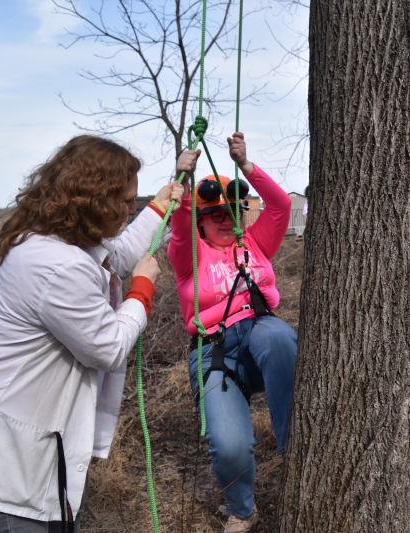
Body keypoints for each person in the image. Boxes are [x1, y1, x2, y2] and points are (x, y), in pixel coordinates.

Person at [0, 135, 184, 532]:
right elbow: (107, 348)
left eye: (133, 201)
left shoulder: (59, 242)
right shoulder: (57, 265)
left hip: (9, 448)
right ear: (91, 197)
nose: (127, 210)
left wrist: (159, 205)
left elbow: (117, 253)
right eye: (122, 202)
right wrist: (141, 291)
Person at [168, 132, 297, 533]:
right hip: (215, 351)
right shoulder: (190, 255)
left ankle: (293, 446)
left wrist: (247, 167)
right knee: (230, 448)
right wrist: (184, 183)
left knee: (278, 338)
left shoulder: (256, 243)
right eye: (215, 215)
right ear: (201, 221)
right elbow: (180, 225)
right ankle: (242, 511)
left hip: (260, 334)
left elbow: (281, 205)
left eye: (233, 213)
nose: (226, 221)